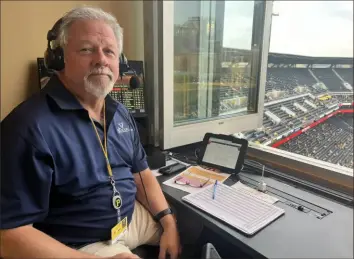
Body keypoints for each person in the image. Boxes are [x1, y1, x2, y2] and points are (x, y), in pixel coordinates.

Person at [0, 6, 180, 259]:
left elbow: (141, 174)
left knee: (195, 226)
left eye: (109, 51)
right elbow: (9, 236)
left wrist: (169, 223)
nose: (101, 60)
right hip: (78, 243)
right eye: (86, 49)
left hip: (129, 220)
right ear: (58, 59)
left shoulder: (119, 112)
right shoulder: (27, 127)